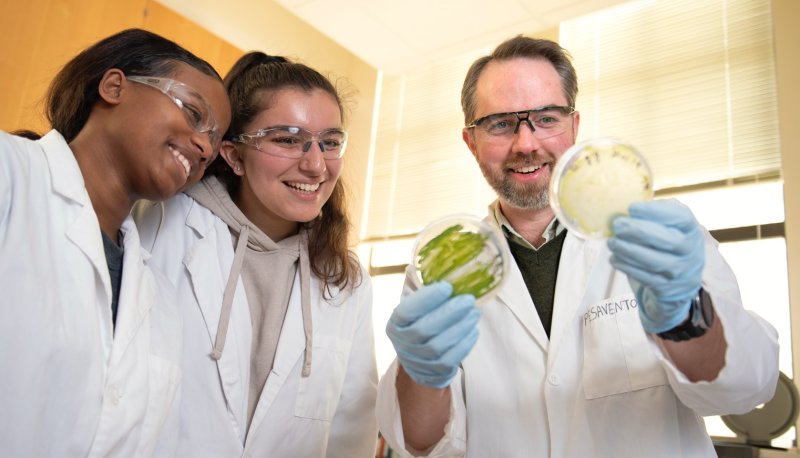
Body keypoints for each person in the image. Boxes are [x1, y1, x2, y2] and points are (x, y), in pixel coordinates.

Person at [376, 35, 779, 457]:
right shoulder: (440, 265)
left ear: (575, 126)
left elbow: (746, 390)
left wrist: (687, 318)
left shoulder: (661, 239)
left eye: (547, 118)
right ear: (471, 141)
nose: (526, 143)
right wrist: (422, 374)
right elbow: (420, 443)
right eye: (499, 123)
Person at [134, 51, 378, 457]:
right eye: (287, 139)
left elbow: (351, 428)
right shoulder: (161, 224)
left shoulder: (346, 279)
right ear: (233, 155)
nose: (316, 165)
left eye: (330, 142)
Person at [0, 28, 230, 456]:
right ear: (115, 86)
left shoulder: (158, 298)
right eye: (194, 113)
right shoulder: (11, 174)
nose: (204, 147)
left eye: (215, 142)